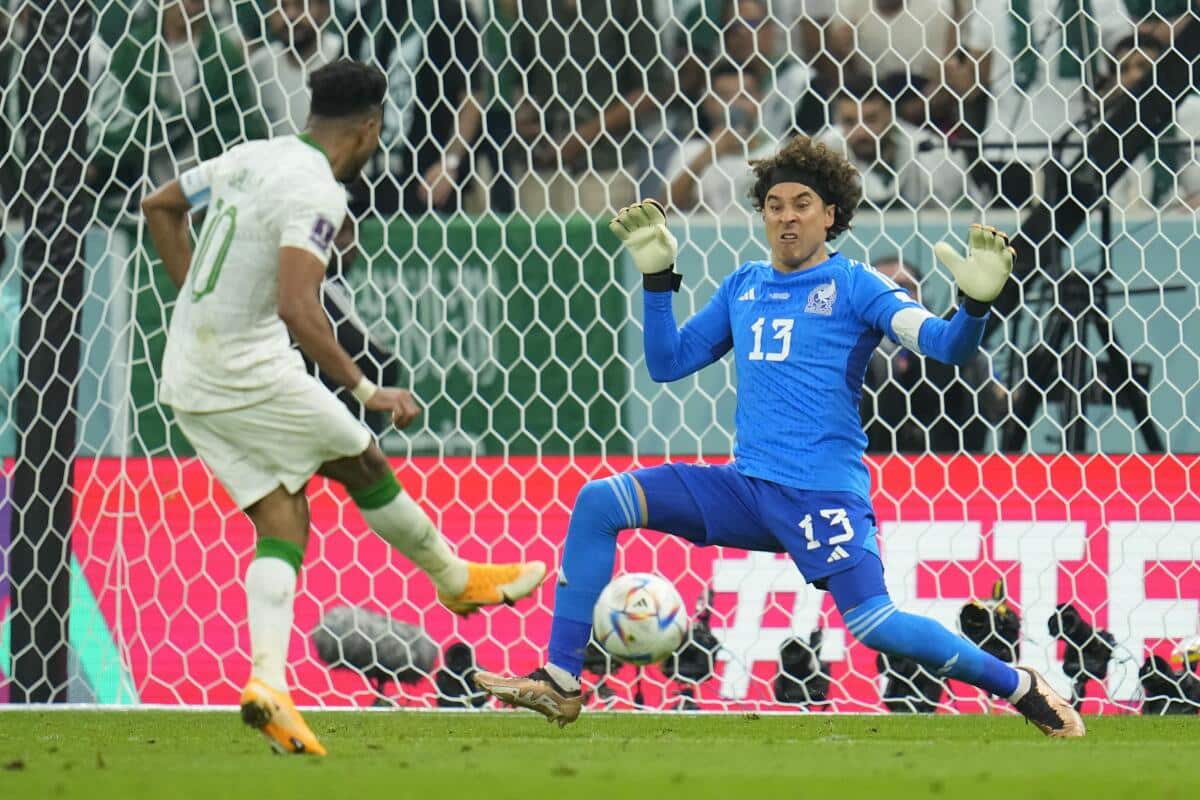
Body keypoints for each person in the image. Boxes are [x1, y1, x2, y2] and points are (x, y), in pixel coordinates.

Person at [474, 135, 1085, 738]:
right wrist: (658, 279)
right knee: (600, 502)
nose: (786, 217)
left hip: (821, 496)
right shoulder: (743, 285)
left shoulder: (857, 285)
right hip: (745, 489)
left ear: (831, 215)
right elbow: (666, 363)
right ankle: (560, 679)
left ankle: (1020, 686)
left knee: (874, 622)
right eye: (774, 205)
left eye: (801, 204)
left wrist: (975, 306)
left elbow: (945, 346)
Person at [139, 61, 545, 756]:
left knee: (282, 514)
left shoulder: (252, 156)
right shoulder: (320, 193)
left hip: (190, 370)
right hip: (247, 368)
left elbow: (158, 205)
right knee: (362, 456)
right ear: (369, 128)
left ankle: (267, 684)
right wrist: (365, 388)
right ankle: (456, 580)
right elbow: (301, 306)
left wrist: (196, 304)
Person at [861, 257, 1008, 453]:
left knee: (960, 350)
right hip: (874, 451)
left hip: (949, 448)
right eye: (880, 289)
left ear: (923, 296)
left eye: (902, 287)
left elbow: (1003, 403)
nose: (891, 298)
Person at [249, 0, 342, 136]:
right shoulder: (259, 66)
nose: (290, 15)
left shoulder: (343, 56)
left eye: (301, 5)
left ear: (325, 9)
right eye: (280, 7)